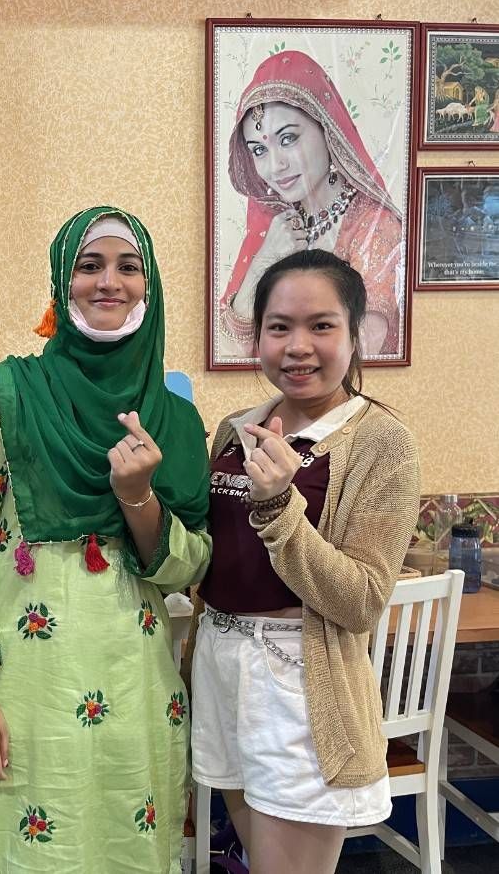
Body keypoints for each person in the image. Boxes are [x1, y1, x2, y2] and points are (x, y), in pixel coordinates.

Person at [0, 206, 212, 872]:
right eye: (89, 265)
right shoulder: (8, 395)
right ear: (62, 281)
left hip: (135, 691)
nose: (109, 281)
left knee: (125, 851)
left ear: (150, 286)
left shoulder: (174, 419)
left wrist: (137, 498)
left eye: (128, 267)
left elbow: (189, 565)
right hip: (21, 693)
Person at [189, 249, 420, 874]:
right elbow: (214, 557)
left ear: (355, 334)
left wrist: (278, 507)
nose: (298, 347)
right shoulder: (235, 428)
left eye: (321, 326)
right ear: (257, 336)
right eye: (279, 327)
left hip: (300, 680)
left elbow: (362, 599)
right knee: (253, 859)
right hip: (221, 664)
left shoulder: (380, 441)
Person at [218, 50, 404, 360]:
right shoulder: (275, 227)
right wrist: (265, 260)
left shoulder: (374, 227)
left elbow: (361, 354)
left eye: (288, 139)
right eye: (259, 150)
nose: (275, 166)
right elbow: (226, 352)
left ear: (327, 129)